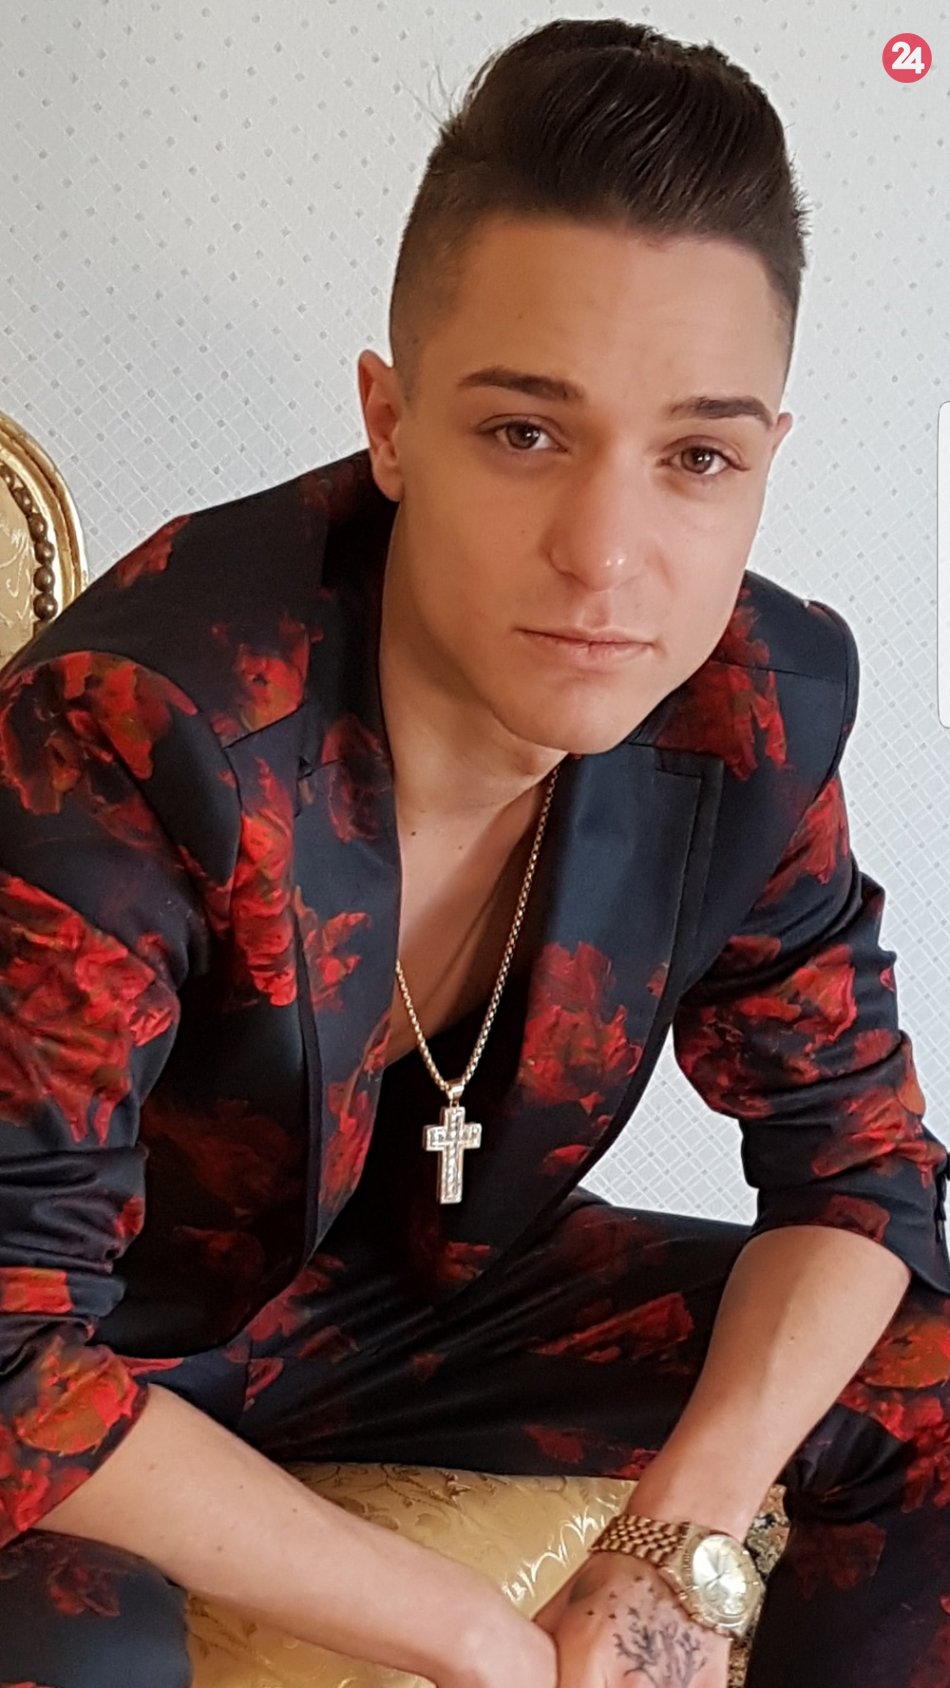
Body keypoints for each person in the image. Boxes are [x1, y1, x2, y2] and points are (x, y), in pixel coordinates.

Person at [0, 16, 948, 1688]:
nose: (606, 556)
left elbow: (857, 1172)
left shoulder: (751, 704)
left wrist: (667, 1551)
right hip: (97, 1347)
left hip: (410, 1307)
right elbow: (7, 1346)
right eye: (525, 433)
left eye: (696, 457)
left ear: (763, 465)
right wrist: (475, 1641)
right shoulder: (141, 722)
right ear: (391, 420)